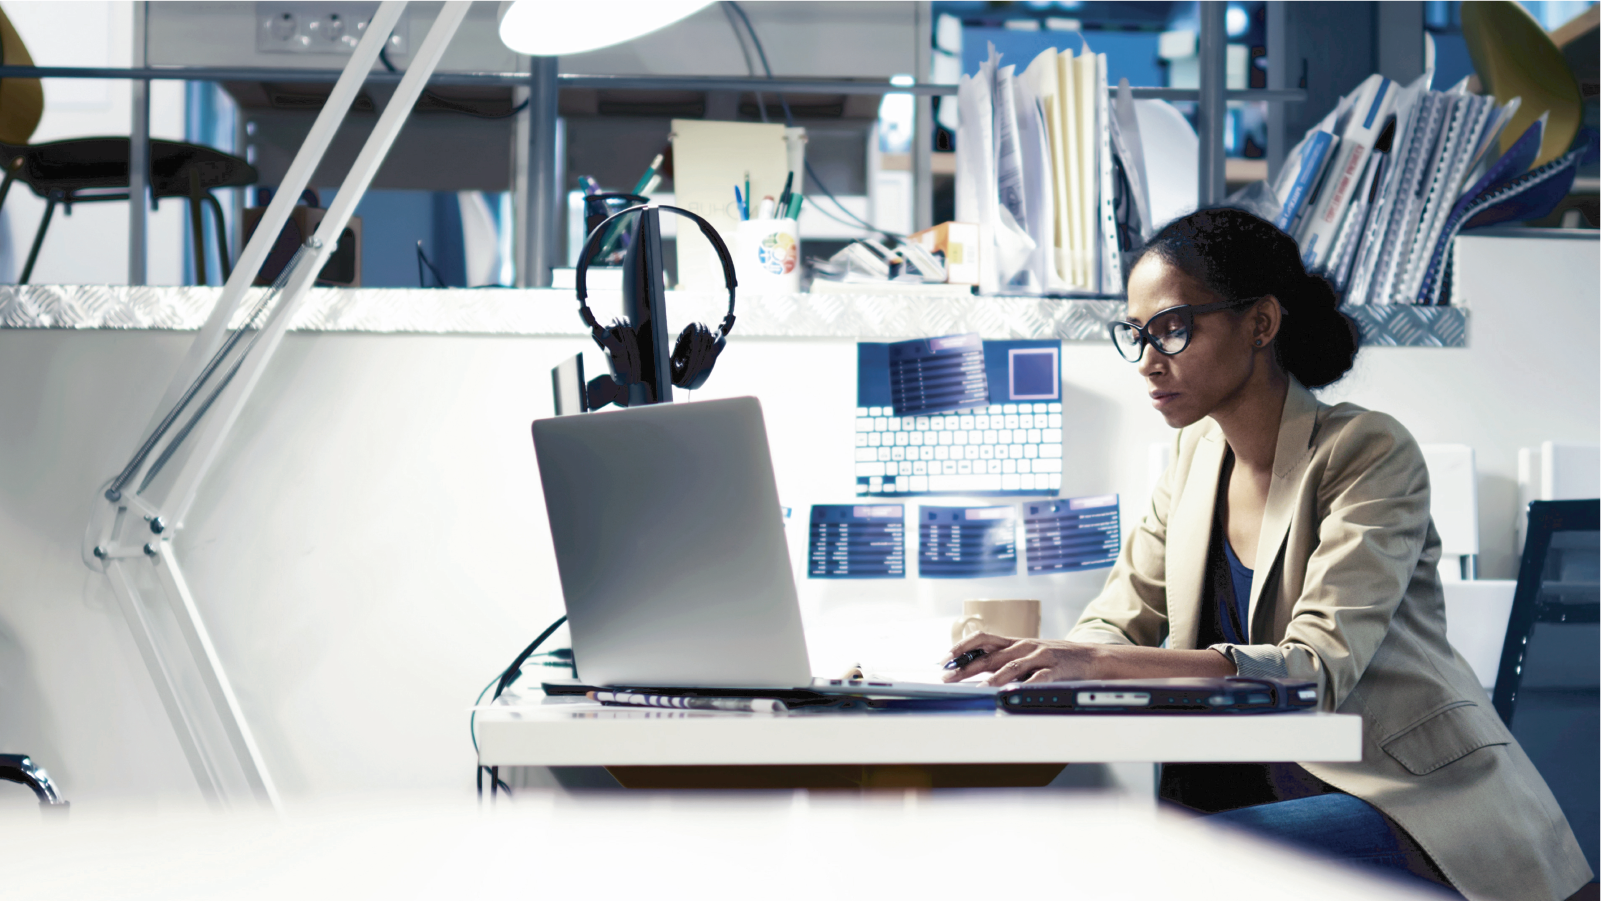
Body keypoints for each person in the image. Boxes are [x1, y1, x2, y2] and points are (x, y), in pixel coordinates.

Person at [941, 208, 1591, 901]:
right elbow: (1118, 617)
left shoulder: (1367, 451)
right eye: (1136, 335)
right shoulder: (1192, 456)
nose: (1148, 360)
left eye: (1171, 327)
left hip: (1408, 805)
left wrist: (1091, 661)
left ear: (1260, 323)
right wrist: (1042, 662)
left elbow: (1313, 670)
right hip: (1240, 792)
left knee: (1145, 864)